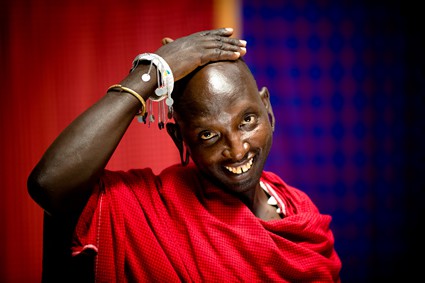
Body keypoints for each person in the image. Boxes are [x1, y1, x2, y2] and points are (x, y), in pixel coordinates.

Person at [28, 28, 341, 282]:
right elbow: (50, 183)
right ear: (181, 139)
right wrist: (151, 72)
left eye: (247, 121)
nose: (237, 149)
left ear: (268, 110)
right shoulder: (151, 208)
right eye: (208, 135)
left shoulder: (298, 209)